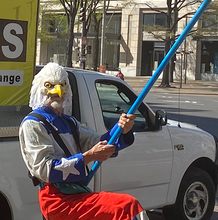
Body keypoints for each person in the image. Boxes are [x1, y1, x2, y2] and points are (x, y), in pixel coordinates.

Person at [19, 63, 148, 220]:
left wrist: (122, 129)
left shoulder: (69, 122)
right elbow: (45, 169)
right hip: (57, 199)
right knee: (127, 207)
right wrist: (89, 156)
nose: (57, 91)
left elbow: (100, 143)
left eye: (62, 85)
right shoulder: (33, 124)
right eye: (49, 86)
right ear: (40, 88)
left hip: (75, 191)